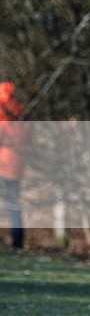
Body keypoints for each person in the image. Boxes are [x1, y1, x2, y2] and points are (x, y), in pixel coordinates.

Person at [0, 82, 28, 250]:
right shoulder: (22, 113)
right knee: (13, 205)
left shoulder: (2, 113)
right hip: (16, 167)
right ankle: (17, 242)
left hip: (3, 163)